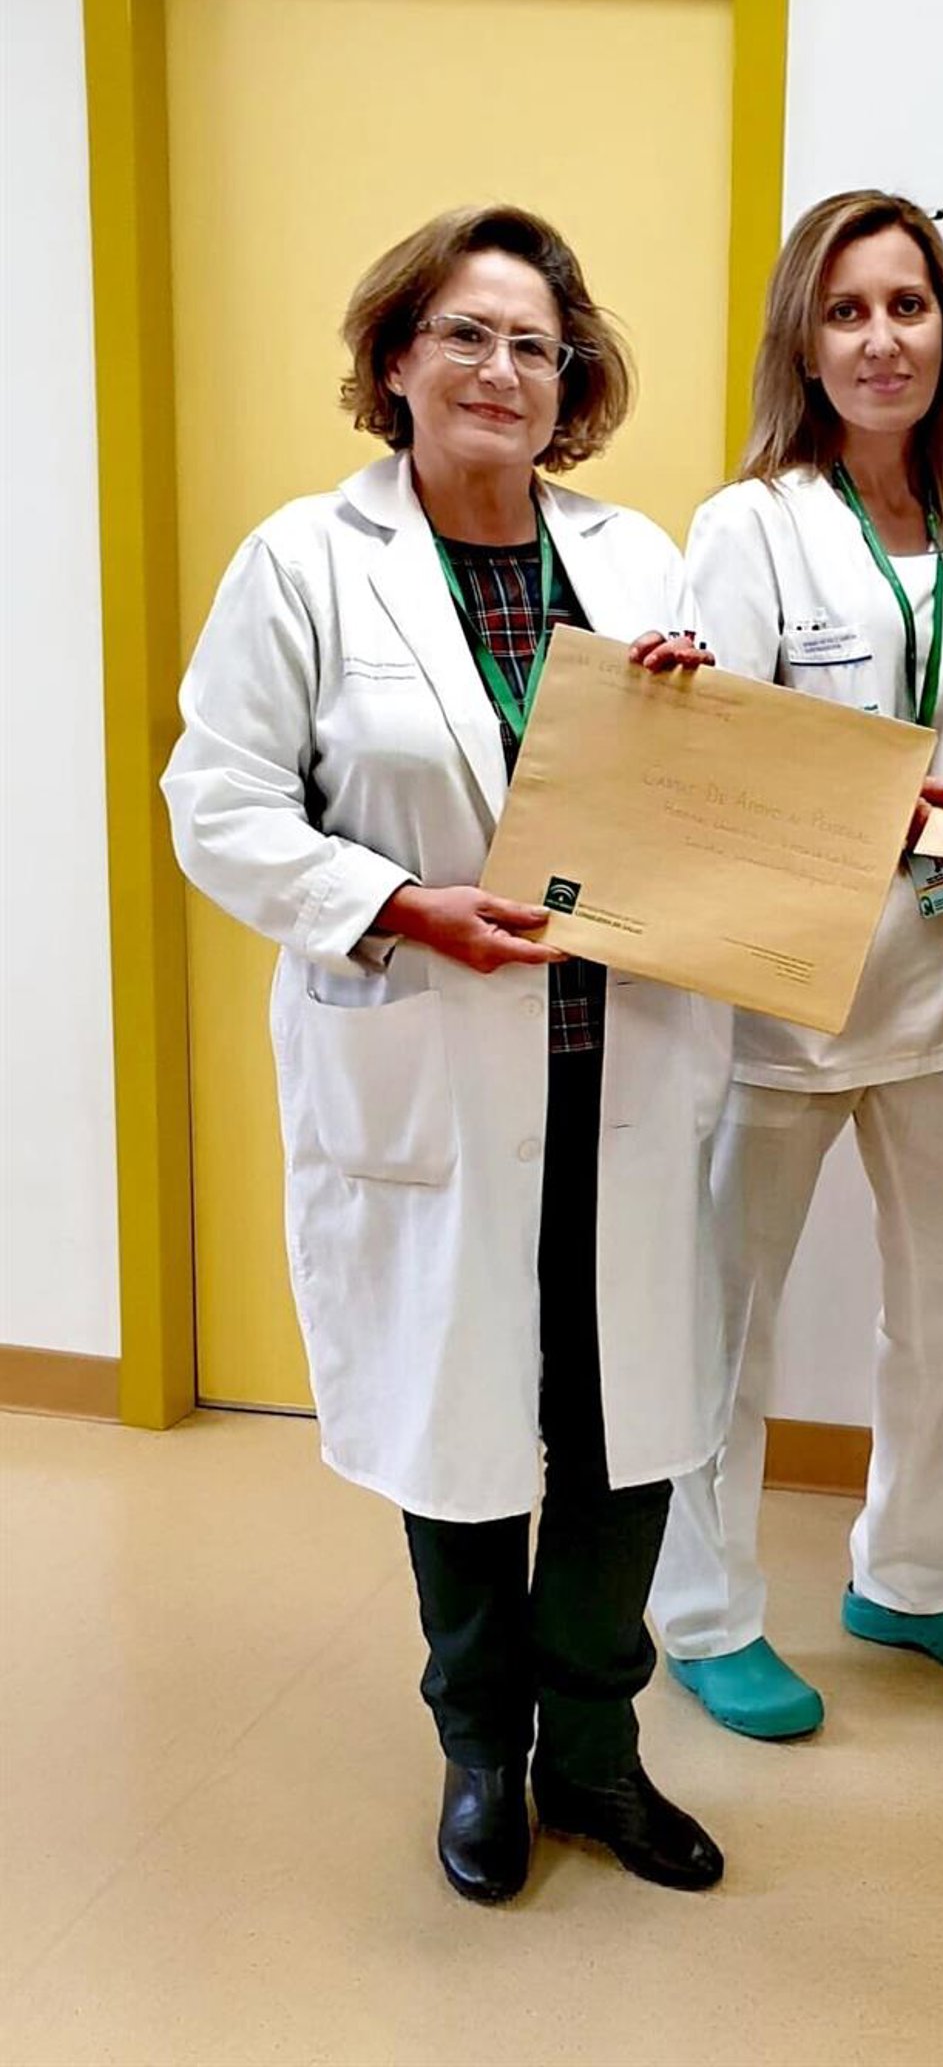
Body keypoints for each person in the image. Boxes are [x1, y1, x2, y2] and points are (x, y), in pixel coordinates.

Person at [162, 206, 733, 1907]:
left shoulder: (639, 563)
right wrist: (398, 904)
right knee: (461, 1416)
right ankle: (482, 1750)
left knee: (623, 1426)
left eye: (536, 345)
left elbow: (717, 805)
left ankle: (599, 1753)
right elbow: (217, 803)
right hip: (439, 1070)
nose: (503, 368)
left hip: (620, 1075)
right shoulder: (304, 562)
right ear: (397, 357)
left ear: (572, 382)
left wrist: (700, 718)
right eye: (467, 334)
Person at [650, 191, 943, 1740]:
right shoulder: (750, 527)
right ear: (803, 345)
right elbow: (720, 771)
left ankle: (912, 1570)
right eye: (846, 310)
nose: (882, 338)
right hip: (778, 995)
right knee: (726, 1318)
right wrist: (882, 803)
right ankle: (705, 1611)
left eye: (908, 303)